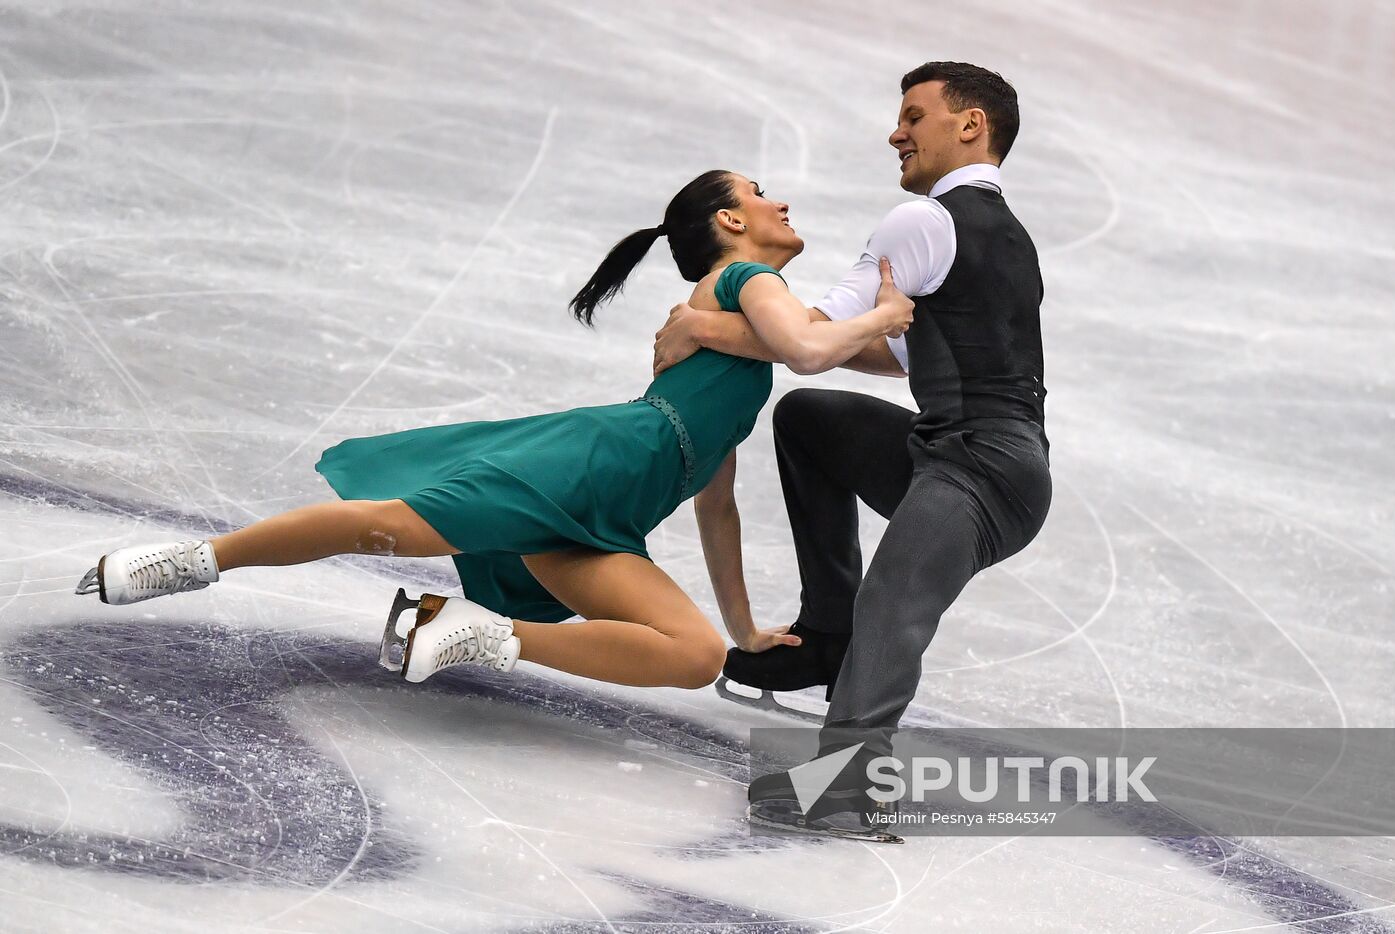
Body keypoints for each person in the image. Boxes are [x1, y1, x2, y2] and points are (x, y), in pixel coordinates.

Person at [75, 170, 914, 692]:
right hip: (593, 464)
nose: (781, 200)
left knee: (693, 656)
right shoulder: (742, 279)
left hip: (612, 516)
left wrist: (743, 631)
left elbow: (718, 504)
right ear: (730, 224)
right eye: (760, 192)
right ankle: (189, 560)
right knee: (395, 524)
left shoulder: (739, 341)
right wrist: (889, 312)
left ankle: (477, 630)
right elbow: (809, 345)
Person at [651, 62, 1052, 837]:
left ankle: (853, 780)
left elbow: (807, 335)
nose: (895, 132)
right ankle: (827, 636)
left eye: (913, 115)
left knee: (896, 600)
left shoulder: (924, 222)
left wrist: (700, 324)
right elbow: (880, 354)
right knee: (811, 419)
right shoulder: (1003, 235)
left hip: (978, 470)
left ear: (970, 125)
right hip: (969, 453)